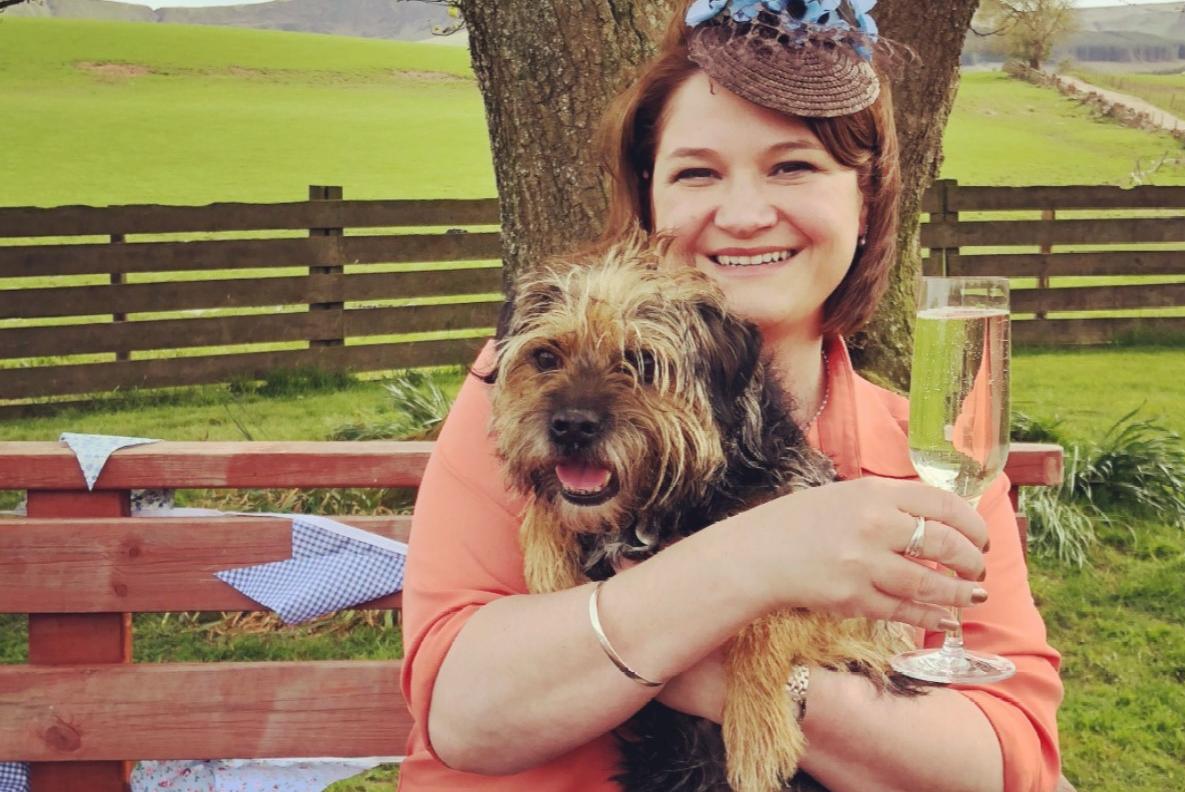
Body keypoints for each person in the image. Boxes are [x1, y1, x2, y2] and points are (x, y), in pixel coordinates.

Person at [400, 2, 1062, 790]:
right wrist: (760, 561)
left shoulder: (931, 453)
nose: (745, 216)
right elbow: (465, 711)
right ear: (648, 198)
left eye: (792, 166)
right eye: (697, 172)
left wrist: (751, 671)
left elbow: (1005, 761)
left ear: (867, 196)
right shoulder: (531, 388)